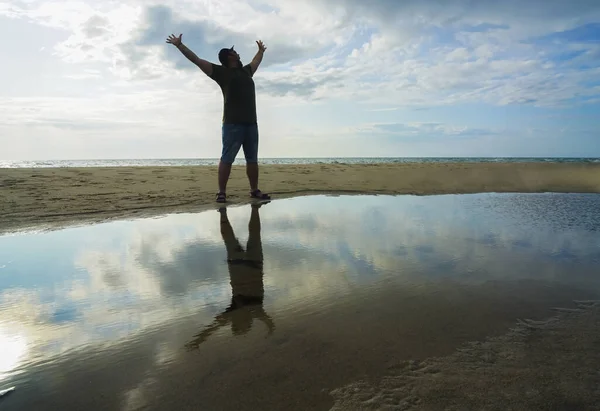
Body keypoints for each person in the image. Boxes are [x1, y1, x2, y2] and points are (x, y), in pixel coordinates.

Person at [166, 33, 271, 204]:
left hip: (251, 124)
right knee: (227, 158)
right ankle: (221, 192)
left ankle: (254, 190)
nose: (238, 54)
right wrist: (179, 45)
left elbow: (256, 61)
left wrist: (261, 51)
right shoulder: (221, 73)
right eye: (234, 52)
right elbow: (197, 60)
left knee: (252, 159)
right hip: (232, 124)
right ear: (229, 56)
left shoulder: (246, 71)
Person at [186, 203, 275, 350]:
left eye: (244, 325)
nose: (247, 322)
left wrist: (199, 340)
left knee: (244, 236)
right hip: (247, 265)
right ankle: (234, 211)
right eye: (246, 325)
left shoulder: (240, 312)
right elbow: (269, 322)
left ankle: (235, 211)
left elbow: (212, 328)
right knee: (242, 237)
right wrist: (270, 329)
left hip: (247, 265)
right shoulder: (255, 311)